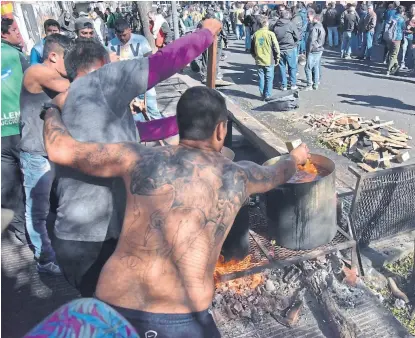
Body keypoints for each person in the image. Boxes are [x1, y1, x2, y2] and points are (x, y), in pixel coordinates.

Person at [42, 84, 310, 337]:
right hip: (180, 317)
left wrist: (51, 110)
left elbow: (61, 149)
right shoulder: (240, 175)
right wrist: (296, 157)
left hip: (111, 307)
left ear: (181, 125)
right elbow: (278, 172)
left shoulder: (136, 157)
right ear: (220, 130)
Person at [46, 20, 221, 298]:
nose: (117, 61)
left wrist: (185, 125)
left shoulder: (74, 99)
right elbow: (164, 62)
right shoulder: (103, 79)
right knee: (115, 310)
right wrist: (206, 33)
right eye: (113, 59)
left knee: (97, 307)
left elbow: (133, 133)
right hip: (96, 236)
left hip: (70, 236)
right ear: (103, 61)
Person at [19, 34, 73, 274]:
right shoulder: (36, 72)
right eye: (68, 59)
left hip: (56, 153)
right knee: (37, 211)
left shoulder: (59, 75)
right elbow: (72, 88)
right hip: (36, 155)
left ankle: (60, 251)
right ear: (53, 56)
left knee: (61, 206)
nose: (71, 65)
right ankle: (44, 258)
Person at [1, 17, 29, 244]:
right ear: (3, 35)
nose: (18, 33)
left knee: (9, 185)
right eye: (14, 30)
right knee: (38, 177)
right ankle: (41, 230)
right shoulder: (14, 55)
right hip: (21, 128)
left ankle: (20, 232)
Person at [108, 19, 162, 122]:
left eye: (125, 35)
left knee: (153, 110)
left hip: (144, 82)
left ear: (129, 30)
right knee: (135, 114)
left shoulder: (140, 40)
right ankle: (143, 133)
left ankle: (160, 131)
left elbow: (150, 59)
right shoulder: (111, 44)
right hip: (126, 86)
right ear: (116, 34)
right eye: (120, 36)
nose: (122, 38)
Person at [251, 15, 280, 101]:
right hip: (269, 60)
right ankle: (267, 95)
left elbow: (252, 49)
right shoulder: (271, 34)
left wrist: (255, 57)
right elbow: (276, 48)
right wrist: (277, 58)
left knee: (261, 77)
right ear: (266, 24)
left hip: (259, 60)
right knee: (269, 78)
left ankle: (261, 93)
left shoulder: (255, 34)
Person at [273, 10, 299, 91]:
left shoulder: (276, 25)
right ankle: (293, 84)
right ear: (288, 16)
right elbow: (297, 36)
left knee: (282, 67)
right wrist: (294, 43)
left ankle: (283, 85)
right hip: (290, 48)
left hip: (280, 48)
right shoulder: (291, 24)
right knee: (292, 67)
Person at [305, 13, 325, 91]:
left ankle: (309, 84)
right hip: (319, 49)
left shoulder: (314, 28)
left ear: (315, 18)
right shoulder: (321, 27)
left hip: (313, 50)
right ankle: (316, 84)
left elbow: (311, 41)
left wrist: (308, 51)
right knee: (316, 67)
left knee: (307, 68)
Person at [386, 5, 406, 76]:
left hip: (390, 37)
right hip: (397, 38)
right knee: (394, 54)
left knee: (392, 53)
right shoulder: (401, 20)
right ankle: (389, 69)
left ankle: (396, 67)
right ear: (402, 12)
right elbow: (403, 29)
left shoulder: (393, 17)